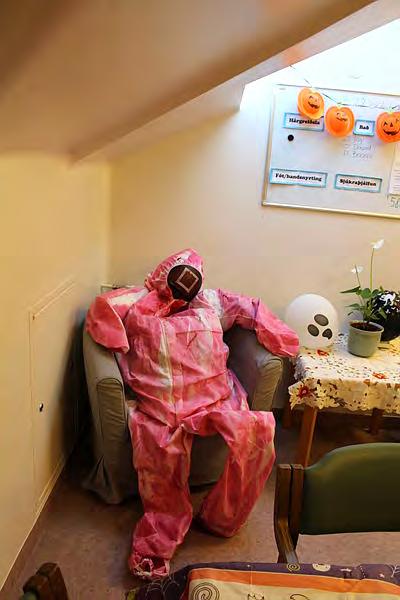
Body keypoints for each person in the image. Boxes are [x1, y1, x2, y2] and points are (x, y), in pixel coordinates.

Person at [86, 249, 299, 578]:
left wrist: (282, 338)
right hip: (161, 400)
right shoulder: (135, 301)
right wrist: (120, 343)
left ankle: (221, 517)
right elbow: (102, 309)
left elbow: (252, 308)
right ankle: (158, 540)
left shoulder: (211, 301)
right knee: (162, 449)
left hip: (215, 394)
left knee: (258, 433)